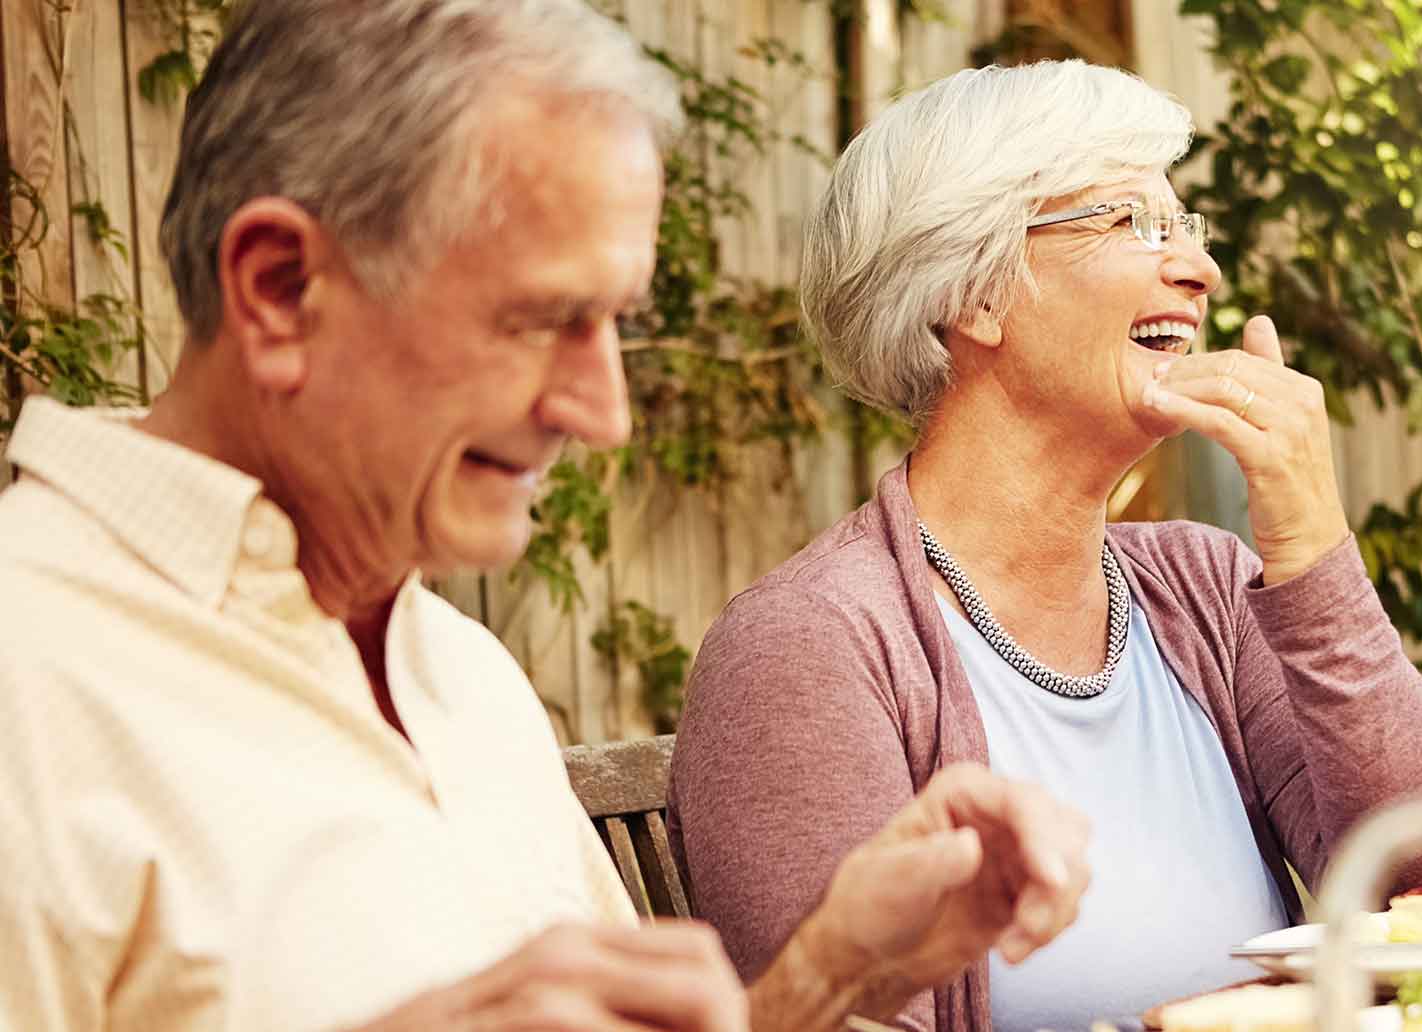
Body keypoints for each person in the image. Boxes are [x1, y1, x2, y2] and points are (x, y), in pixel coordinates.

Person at [0, 2, 1087, 1029]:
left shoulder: (457, 671)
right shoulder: (32, 673)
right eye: (544, 321)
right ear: (280, 289)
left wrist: (831, 970)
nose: (602, 412)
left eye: (613, 321)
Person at [668, 60, 1422, 1032]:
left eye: (1189, 231)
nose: (1200, 271)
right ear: (975, 295)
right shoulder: (806, 653)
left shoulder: (1203, 588)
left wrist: (1310, 544)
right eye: (1136, 223)